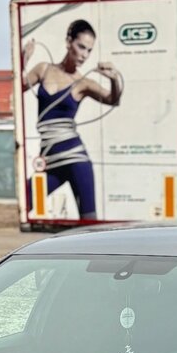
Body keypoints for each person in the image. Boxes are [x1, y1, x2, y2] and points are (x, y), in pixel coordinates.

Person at [22, 19, 122, 219]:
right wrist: (23, 59)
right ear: (69, 42)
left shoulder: (83, 83)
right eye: (81, 47)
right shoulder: (43, 69)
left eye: (89, 50)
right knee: (24, 202)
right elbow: (18, 87)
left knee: (89, 220)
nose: (84, 55)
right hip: (50, 161)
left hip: (75, 159)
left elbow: (113, 100)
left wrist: (113, 79)